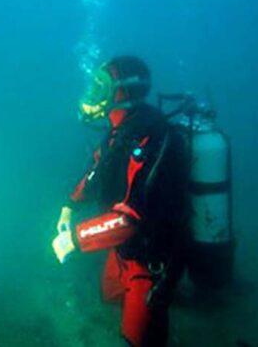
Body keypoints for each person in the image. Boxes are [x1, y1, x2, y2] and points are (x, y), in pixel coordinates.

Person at [52, 56, 189, 346]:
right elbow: (96, 170)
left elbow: (131, 219)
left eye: (103, 86)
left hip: (150, 258)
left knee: (139, 339)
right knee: (109, 297)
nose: (94, 92)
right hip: (124, 248)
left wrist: (75, 239)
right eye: (95, 84)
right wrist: (70, 205)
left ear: (124, 92)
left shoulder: (150, 138)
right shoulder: (119, 133)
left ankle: (160, 305)